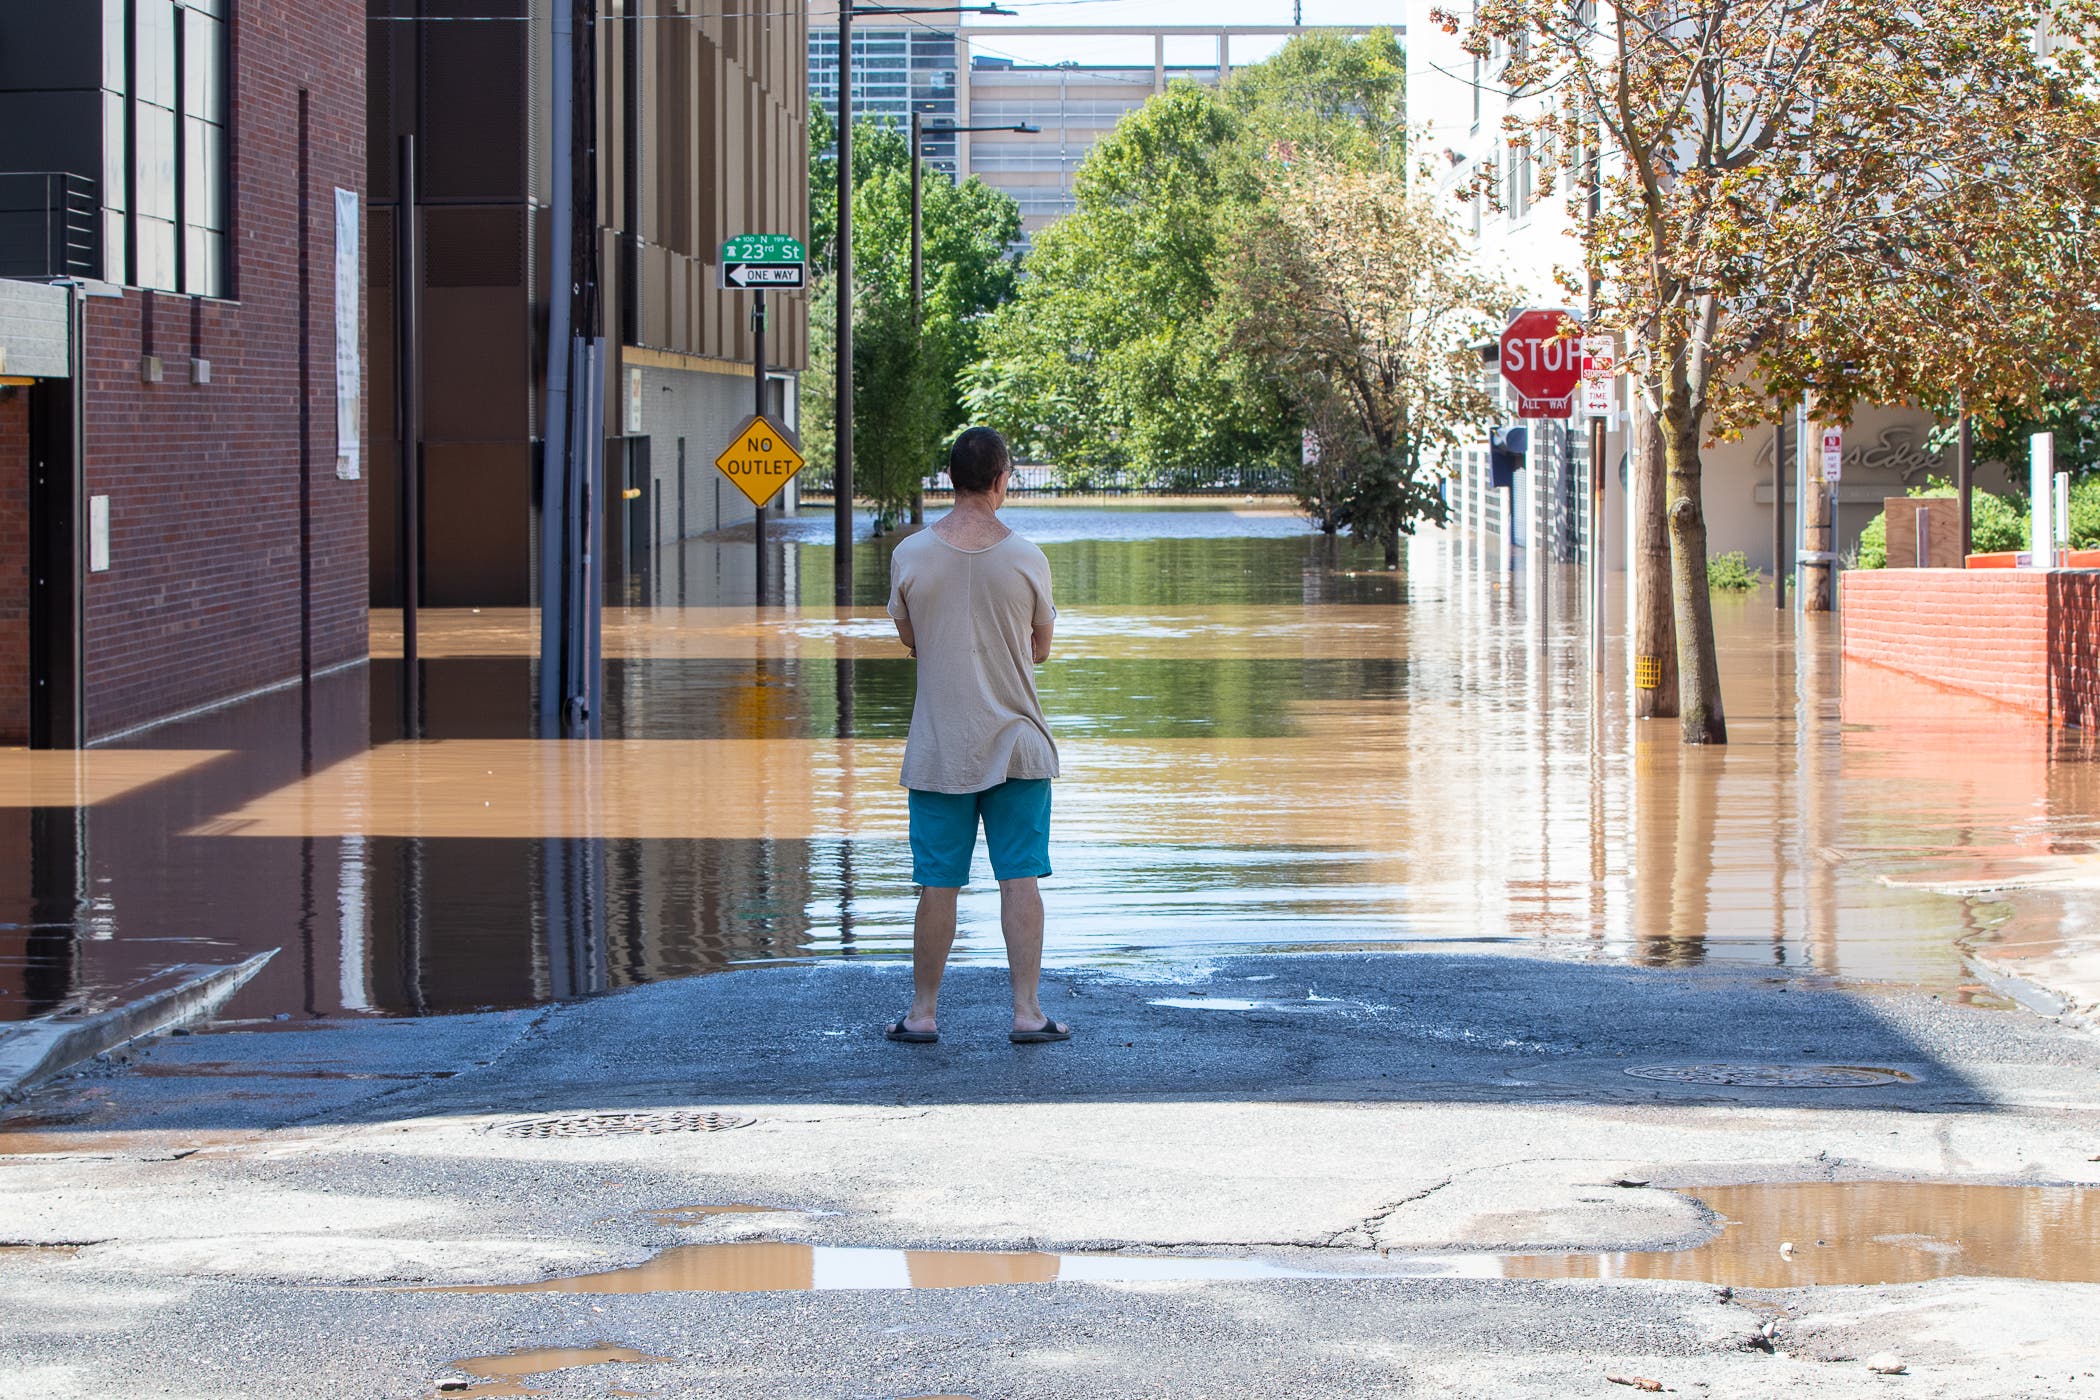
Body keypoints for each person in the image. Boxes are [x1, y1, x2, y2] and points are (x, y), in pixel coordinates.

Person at [883, 427, 1070, 1045]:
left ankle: (922, 1015)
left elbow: (911, 638)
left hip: (940, 746)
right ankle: (1027, 1013)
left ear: (950, 478)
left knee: (938, 883)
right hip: (1017, 741)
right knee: (1020, 879)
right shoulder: (1028, 558)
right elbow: (1041, 648)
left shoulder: (910, 555)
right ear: (1000, 479)